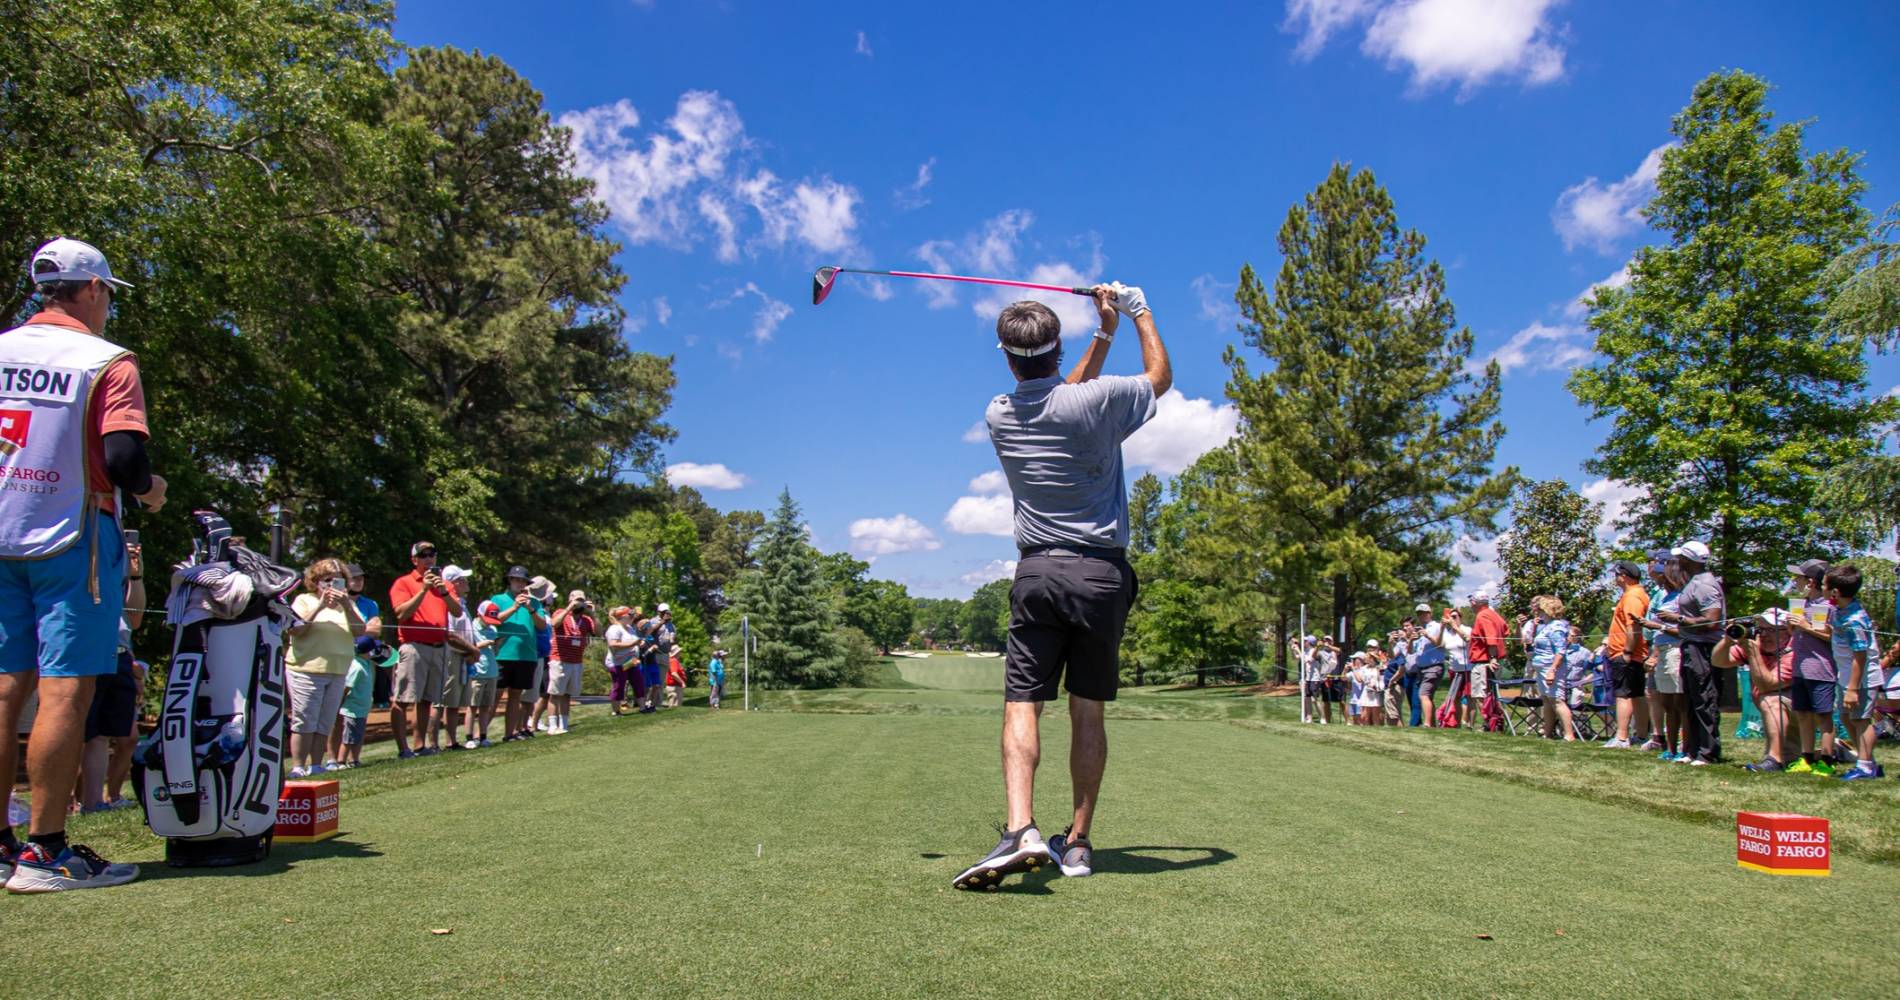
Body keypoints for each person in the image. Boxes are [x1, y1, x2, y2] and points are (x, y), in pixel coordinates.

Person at [952, 281, 1168, 891]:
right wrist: (1135, 311)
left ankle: (1020, 827)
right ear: (1056, 346)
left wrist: (1103, 333)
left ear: (1005, 354)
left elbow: (1057, 397)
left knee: (1023, 703)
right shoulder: (1096, 403)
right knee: (1087, 709)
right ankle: (1076, 844)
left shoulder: (998, 413)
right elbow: (1158, 376)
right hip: (1101, 575)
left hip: (1038, 573)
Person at [0, 238, 167, 892]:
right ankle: (45, 852)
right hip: (74, 530)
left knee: (7, 684)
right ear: (93, 289)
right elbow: (124, 460)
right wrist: (151, 491)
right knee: (67, 688)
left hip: (3, 527)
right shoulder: (107, 362)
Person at [78, 536, 147, 812]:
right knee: (83, 732)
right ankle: (74, 800)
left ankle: (96, 801)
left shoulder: (119, 573)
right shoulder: (84, 558)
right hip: (87, 651)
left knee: (109, 735)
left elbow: (135, 618)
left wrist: (136, 574)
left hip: (119, 655)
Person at [284, 557, 367, 776]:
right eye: (328, 580)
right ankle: (298, 766)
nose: (333, 585)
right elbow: (296, 629)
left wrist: (347, 606)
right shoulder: (304, 600)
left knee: (325, 721)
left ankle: (317, 765)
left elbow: (360, 630)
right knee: (305, 719)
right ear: (317, 580)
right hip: (306, 669)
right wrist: (321, 606)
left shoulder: (347, 605)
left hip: (338, 670)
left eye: (339, 580)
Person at [388, 541, 462, 759]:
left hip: (439, 648)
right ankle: (403, 748)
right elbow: (401, 613)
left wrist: (443, 591)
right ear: (415, 560)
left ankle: (419, 746)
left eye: (432, 554)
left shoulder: (445, 586)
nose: (429, 558)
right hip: (414, 647)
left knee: (427, 700)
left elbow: (457, 612)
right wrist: (423, 590)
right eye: (423, 555)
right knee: (403, 699)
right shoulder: (404, 583)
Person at [1654, 541, 1724, 766]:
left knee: (1705, 698)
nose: (1678, 562)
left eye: (1681, 558)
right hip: (1690, 643)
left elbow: (1713, 620)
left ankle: (1707, 751)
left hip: (1703, 647)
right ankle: (1692, 750)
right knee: (1691, 700)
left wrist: (1679, 619)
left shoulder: (1705, 584)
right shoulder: (1693, 583)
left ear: (1690, 561)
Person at [1716, 609, 1795, 772]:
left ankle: (1774, 760)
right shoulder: (1756, 645)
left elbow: (1767, 685)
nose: (1764, 635)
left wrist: (1752, 652)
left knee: (1772, 700)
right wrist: (1727, 640)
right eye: (1761, 630)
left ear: (1787, 632)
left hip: (1803, 714)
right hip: (1782, 717)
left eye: (1772, 630)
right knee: (1795, 757)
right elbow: (1718, 661)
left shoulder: (1793, 651)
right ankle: (1838, 750)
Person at [1825, 565, 1883, 781]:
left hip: (1862, 679)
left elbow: (1861, 655)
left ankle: (1866, 766)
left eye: (1824, 585)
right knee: (1846, 716)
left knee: (1861, 720)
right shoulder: (1840, 612)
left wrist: (1853, 688)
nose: (1822, 587)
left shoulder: (1854, 619)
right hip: (1846, 676)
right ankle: (1868, 761)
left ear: (1835, 592)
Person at [1782, 559, 1839, 774]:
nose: (1794, 581)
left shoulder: (1829, 607)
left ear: (1811, 582)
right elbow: (1796, 635)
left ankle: (1827, 760)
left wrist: (1806, 626)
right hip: (1800, 669)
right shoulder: (1803, 604)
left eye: (1798, 577)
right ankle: (1806, 758)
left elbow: (1832, 636)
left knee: (1823, 716)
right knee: (1803, 714)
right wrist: (1792, 626)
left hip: (1822, 670)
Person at [484, 566, 547, 742]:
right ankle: (480, 735)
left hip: (526, 655)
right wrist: (514, 607)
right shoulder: (498, 599)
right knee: (495, 695)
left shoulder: (534, 603)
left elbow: (542, 626)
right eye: (516, 580)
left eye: (523, 581)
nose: (520, 583)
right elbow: (492, 620)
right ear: (510, 581)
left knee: (516, 696)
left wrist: (530, 609)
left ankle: (509, 734)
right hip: (502, 654)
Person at [1640, 553, 1685, 758]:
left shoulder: (1682, 597)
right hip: (1662, 649)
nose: (1660, 579)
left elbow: (1685, 630)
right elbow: (1660, 632)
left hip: (1676, 650)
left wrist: (1658, 625)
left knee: (1679, 700)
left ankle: (1684, 744)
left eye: (1663, 575)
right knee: (1667, 702)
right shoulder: (1665, 596)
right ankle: (1670, 746)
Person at [1601, 561, 1651, 748]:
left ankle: (1622, 737)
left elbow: (1634, 626)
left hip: (1627, 653)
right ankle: (1642, 735)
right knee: (1637, 695)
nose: (1615, 579)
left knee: (1624, 695)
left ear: (1624, 576)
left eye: (1616, 575)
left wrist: (1627, 652)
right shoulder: (1634, 595)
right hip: (1630, 653)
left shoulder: (1632, 597)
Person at [434, 565, 481, 751]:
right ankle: (444, 742)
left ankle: (452, 741)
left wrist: (471, 651)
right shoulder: (448, 603)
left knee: (455, 703)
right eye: (462, 579)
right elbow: (451, 635)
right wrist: (473, 650)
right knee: (446, 701)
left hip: (463, 657)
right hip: (452, 655)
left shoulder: (461, 603)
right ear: (453, 583)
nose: (466, 582)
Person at [336, 637, 391, 769]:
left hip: (361, 708)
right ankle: (341, 761)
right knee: (349, 737)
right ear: (368, 651)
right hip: (352, 709)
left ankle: (354, 760)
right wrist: (339, 703)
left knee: (358, 736)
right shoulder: (357, 666)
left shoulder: (366, 663)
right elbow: (347, 687)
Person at [546, 590, 595, 735]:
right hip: (559, 659)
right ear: (570, 600)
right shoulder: (561, 612)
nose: (578, 602)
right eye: (576, 599)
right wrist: (569, 608)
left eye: (581, 600)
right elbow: (554, 624)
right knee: (555, 693)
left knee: (567, 694)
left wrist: (592, 614)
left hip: (576, 661)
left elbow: (598, 632)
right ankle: (552, 725)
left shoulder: (586, 619)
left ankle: (564, 724)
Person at [1529, 597, 1575, 741]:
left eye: (1541, 608)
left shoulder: (1556, 627)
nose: (1539, 611)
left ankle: (1569, 735)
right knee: (1547, 700)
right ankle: (1548, 733)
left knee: (1557, 700)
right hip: (1541, 667)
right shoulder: (1546, 626)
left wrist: (1553, 670)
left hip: (1550, 667)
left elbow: (1560, 651)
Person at [346, 564, 390, 708]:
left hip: (363, 657)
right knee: (337, 708)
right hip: (341, 657)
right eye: (354, 578)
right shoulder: (336, 601)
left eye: (361, 578)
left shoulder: (370, 604)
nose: (359, 581)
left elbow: (374, 630)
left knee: (360, 706)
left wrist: (360, 640)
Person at [1467, 591, 1508, 731]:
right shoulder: (1494, 614)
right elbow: (1505, 630)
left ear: (1475, 602)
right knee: (1492, 695)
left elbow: (1491, 639)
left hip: (1484, 662)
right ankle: (1496, 723)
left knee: (1481, 696)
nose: (1470, 605)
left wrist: (1492, 658)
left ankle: (1490, 724)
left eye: (1471, 602)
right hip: (1491, 661)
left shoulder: (1482, 615)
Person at [463, 606, 500, 747]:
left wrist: (497, 645)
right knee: (472, 706)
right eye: (487, 618)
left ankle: (483, 737)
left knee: (486, 706)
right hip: (477, 672)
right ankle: (469, 738)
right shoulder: (471, 627)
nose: (490, 623)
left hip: (491, 671)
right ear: (479, 614)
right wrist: (480, 644)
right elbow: (467, 646)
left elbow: (495, 653)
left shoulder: (493, 629)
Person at [1431, 601, 1472, 727]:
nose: (1452, 619)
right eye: (1450, 617)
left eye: (1454, 617)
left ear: (1460, 618)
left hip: (1468, 668)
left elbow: (1468, 639)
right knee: (1456, 698)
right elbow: (1438, 645)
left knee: (1470, 697)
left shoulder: (1467, 629)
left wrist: (1455, 627)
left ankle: (1469, 722)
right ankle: (1458, 723)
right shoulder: (1448, 634)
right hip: (1455, 669)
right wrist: (1443, 628)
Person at [1408, 603, 1447, 727]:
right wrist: (1411, 640)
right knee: (1427, 696)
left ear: (1430, 613)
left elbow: (1441, 644)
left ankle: (1427, 724)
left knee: (1423, 694)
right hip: (1422, 668)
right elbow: (1410, 651)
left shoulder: (1436, 627)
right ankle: (1432, 724)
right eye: (1419, 613)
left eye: (1424, 613)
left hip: (1433, 667)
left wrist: (1427, 635)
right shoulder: (1419, 630)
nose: (1422, 616)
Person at [528, 575, 557, 732]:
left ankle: (533, 721)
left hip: (544, 654)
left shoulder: (542, 610)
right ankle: (532, 721)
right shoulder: (534, 607)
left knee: (542, 692)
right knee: (542, 692)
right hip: (536, 654)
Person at [604, 607, 639, 715]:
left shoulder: (630, 628)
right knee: (619, 685)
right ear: (622, 617)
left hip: (631, 661)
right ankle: (616, 710)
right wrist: (632, 644)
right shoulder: (614, 628)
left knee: (636, 682)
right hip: (617, 662)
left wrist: (638, 644)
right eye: (630, 615)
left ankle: (640, 706)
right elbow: (613, 644)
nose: (633, 617)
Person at [708, 645, 727, 709]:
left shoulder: (718, 662)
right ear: (716, 656)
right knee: (714, 693)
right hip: (715, 680)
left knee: (717, 693)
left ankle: (717, 705)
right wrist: (715, 681)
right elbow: (714, 672)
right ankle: (712, 705)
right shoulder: (713, 662)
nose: (719, 655)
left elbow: (720, 670)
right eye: (718, 654)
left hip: (719, 680)